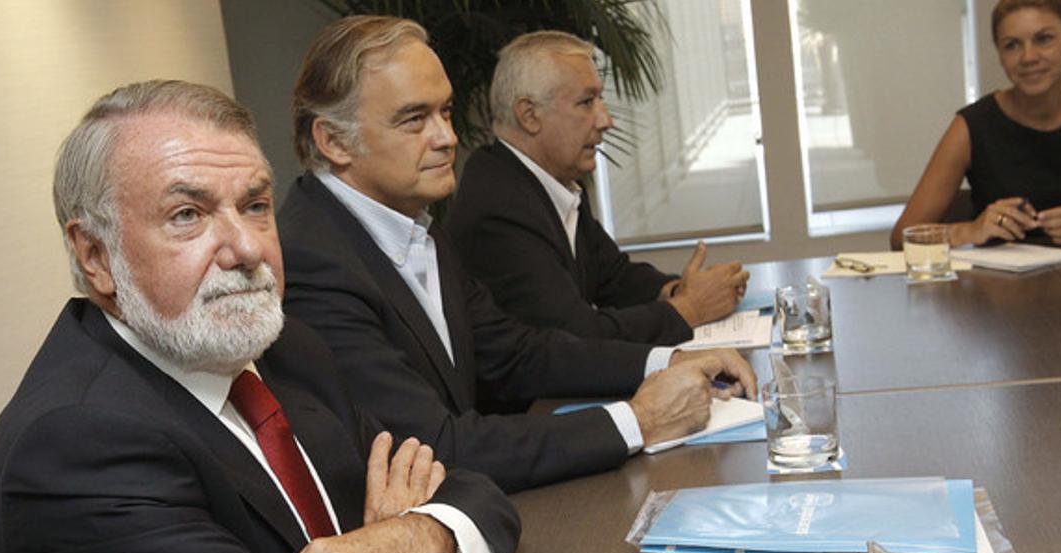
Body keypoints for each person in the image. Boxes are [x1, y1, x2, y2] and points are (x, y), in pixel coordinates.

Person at [0, 80, 519, 553]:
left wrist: (410, 541)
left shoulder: (285, 351)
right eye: (188, 215)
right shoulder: (75, 445)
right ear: (96, 254)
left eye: (255, 206)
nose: (247, 248)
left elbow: (468, 488)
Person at [279, 16, 757, 493]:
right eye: (414, 119)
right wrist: (638, 420)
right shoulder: (312, 261)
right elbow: (433, 449)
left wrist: (665, 361)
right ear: (334, 141)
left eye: (445, 112)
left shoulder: (414, 224)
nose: (447, 137)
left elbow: (517, 355)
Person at [448, 30, 750, 345]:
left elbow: (613, 277)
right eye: (586, 102)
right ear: (529, 115)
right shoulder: (498, 207)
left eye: (600, 100)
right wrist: (689, 308)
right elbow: (576, 336)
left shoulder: (553, 181)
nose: (606, 119)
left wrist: (679, 291)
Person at [889, 0, 1061, 250]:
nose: (1028, 57)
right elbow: (902, 237)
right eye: (1012, 45)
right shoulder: (971, 125)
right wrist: (970, 230)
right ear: (999, 52)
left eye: (1044, 39)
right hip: (997, 293)